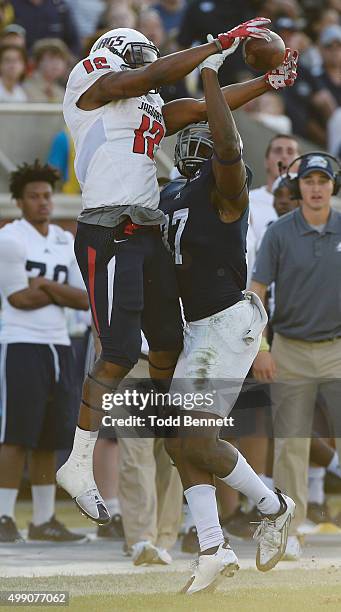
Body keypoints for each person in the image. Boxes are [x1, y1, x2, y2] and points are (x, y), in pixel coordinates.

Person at [55, 19, 296, 525]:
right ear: (120, 54)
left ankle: (173, 432)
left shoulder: (142, 106)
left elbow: (202, 107)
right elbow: (134, 81)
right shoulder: (93, 81)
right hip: (108, 226)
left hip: (145, 232)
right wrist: (219, 45)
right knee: (119, 350)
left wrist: (262, 84)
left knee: (165, 341)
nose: (151, 71)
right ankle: (77, 464)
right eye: (143, 60)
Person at [158, 42, 297, 593]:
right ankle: (213, 546)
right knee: (177, 442)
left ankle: (272, 503)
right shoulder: (169, 195)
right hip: (192, 326)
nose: (197, 145)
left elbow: (228, 141)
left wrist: (211, 76)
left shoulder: (226, 191)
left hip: (225, 320)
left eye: (206, 139)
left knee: (195, 437)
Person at [251, 152, 341, 560]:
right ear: (299, 186)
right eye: (310, 181)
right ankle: (289, 532)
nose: (317, 188)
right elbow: (257, 291)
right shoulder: (279, 232)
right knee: (290, 444)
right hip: (288, 348)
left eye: (324, 180)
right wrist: (262, 348)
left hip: (338, 347)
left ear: (333, 185)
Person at [0, 160, 89, 543]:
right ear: (19, 201)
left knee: (50, 437)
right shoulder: (10, 238)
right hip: (21, 342)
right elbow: (18, 298)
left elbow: (84, 300)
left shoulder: (63, 240)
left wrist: (46, 287)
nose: (42, 202)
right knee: (17, 434)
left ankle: (43, 519)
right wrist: (57, 291)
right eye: (33, 196)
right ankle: (4, 517)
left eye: (46, 196)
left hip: (59, 343)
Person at [10, 0, 81, 56]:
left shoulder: (59, 6)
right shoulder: (11, 5)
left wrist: (67, 61)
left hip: (56, 59)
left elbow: (74, 42)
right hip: (24, 61)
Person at [24, 38, 70, 103]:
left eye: (61, 59)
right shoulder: (25, 87)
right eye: (51, 58)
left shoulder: (62, 92)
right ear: (38, 62)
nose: (57, 63)